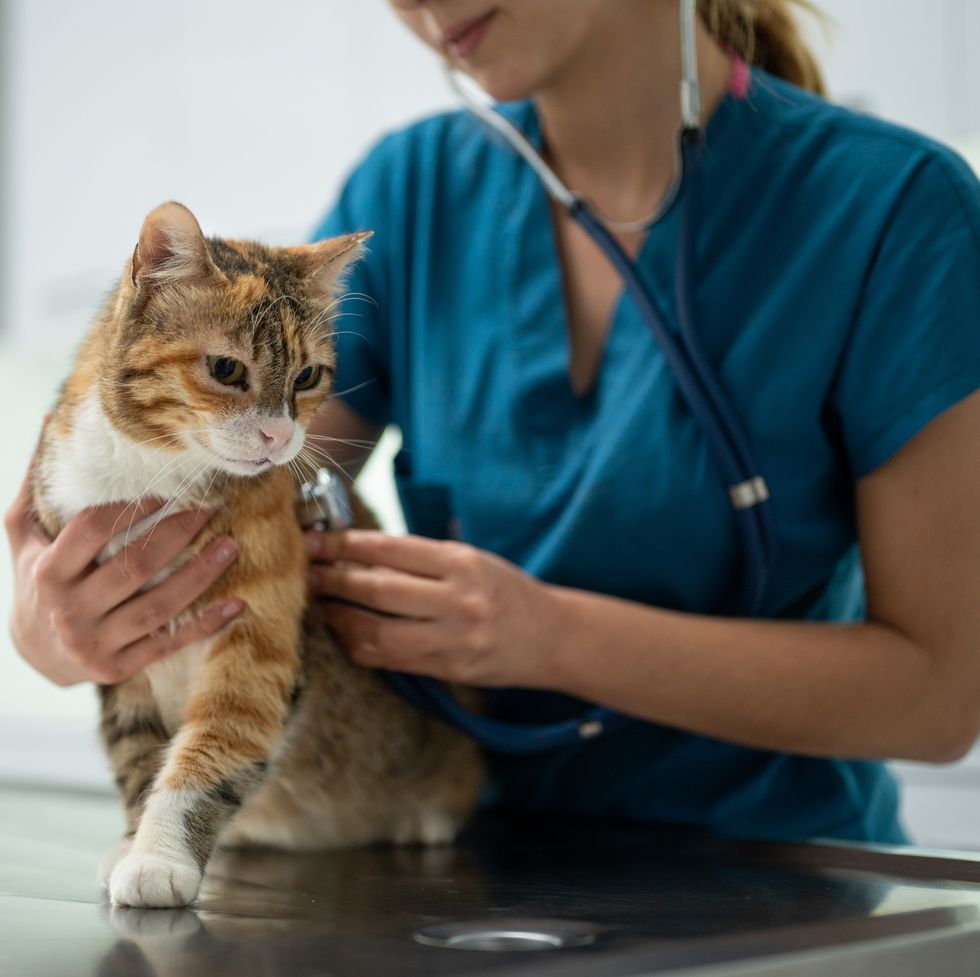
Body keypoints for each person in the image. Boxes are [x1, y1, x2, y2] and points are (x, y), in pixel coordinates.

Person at [7, 0, 980, 845]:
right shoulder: (409, 191)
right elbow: (262, 492)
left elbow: (940, 698)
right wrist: (55, 621)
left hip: (790, 885)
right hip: (465, 865)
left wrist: (546, 636)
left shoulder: (897, 210)